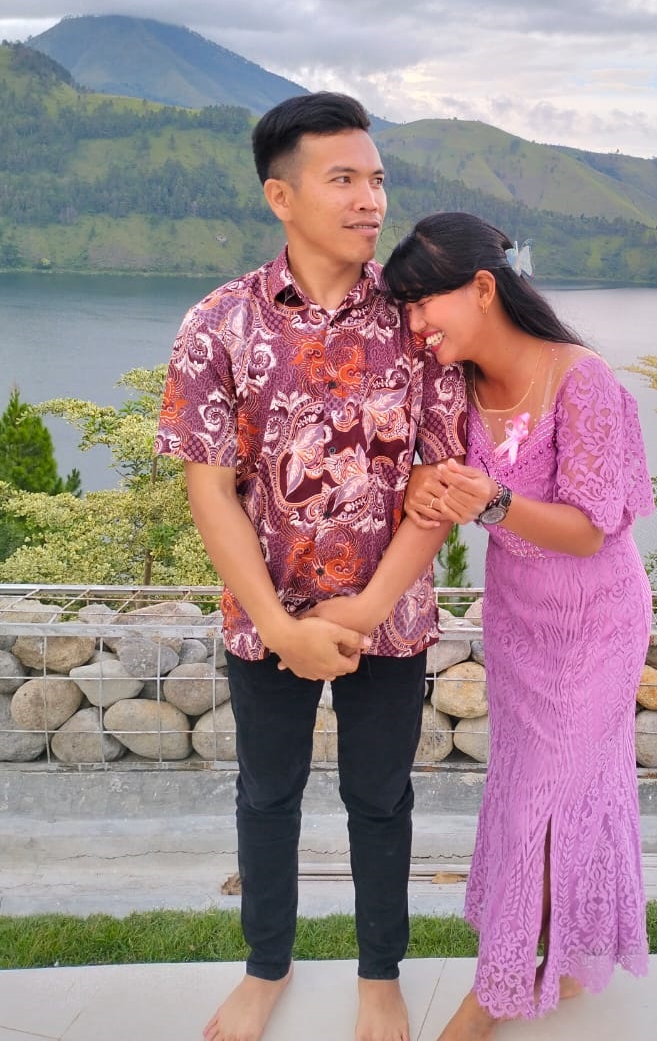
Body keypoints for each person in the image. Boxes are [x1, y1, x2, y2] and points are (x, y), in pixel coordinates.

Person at [155, 94, 467, 1041]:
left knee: (380, 799)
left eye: (376, 178)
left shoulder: (418, 323)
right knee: (266, 796)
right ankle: (266, 967)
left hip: (389, 619)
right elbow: (211, 491)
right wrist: (279, 625)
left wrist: (363, 612)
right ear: (280, 196)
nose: (371, 199)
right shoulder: (218, 324)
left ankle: (380, 975)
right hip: (267, 618)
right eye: (344, 179)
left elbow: (438, 483)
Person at [380, 211, 654, 1040]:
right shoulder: (452, 388)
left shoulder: (581, 378)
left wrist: (493, 502)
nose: (414, 325)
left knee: (554, 796)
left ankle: (489, 997)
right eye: (405, 310)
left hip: (597, 624)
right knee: (527, 793)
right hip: (519, 625)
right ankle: (558, 956)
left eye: (423, 304)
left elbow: (590, 528)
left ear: (482, 288)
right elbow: (425, 486)